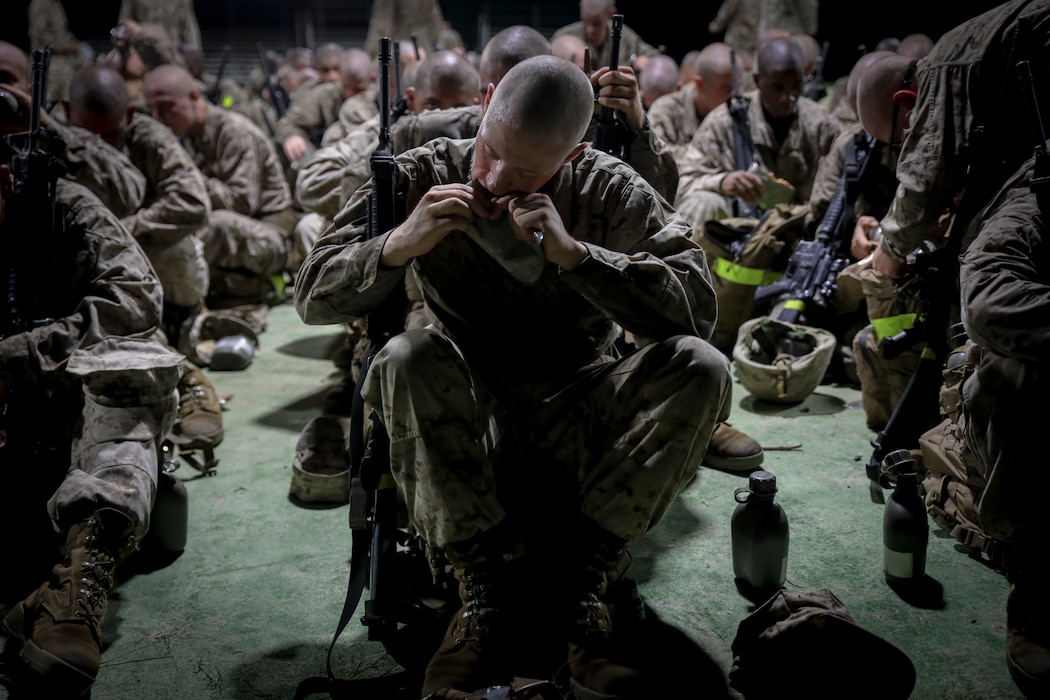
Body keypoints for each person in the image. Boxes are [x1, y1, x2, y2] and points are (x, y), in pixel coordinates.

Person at [295, 54, 732, 698]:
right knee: (405, 357)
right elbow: (311, 294)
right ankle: (482, 590)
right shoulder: (424, 173)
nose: (496, 179)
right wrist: (397, 245)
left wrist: (580, 258)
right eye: (491, 152)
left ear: (574, 153)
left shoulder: (607, 189)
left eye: (526, 170)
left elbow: (699, 308)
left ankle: (584, 581)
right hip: (464, 411)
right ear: (488, 97)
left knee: (703, 367)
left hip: (580, 404)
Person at [0, 102, 182, 696]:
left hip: (66, 405)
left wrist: (22, 357)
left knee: (134, 364)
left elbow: (135, 297)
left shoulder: (63, 207)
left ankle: (77, 586)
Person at [142, 63, 300, 308]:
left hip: (270, 237)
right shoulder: (185, 135)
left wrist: (189, 180)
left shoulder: (233, 131)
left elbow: (240, 202)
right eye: (151, 109)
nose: (157, 118)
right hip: (236, 236)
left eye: (165, 108)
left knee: (218, 225)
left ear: (194, 97)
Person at [274, 47, 374, 166]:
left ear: (371, 79)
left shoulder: (379, 97)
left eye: (358, 89)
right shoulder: (324, 95)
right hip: (330, 162)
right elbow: (287, 123)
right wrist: (292, 137)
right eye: (346, 86)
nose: (349, 94)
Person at [647, 41, 736, 166]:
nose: (732, 97)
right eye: (725, 89)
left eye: (736, 89)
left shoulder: (736, 113)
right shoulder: (665, 111)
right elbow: (656, 158)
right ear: (700, 84)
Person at [552, 0, 664, 72]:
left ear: (611, 14)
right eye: (585, 21)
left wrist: (646, 61)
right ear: (581, 7)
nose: (590, 30)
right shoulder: (565, 37)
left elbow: (656, 58)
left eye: (596, 24)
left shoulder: (625, 37)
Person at [27, 0, 92, 103]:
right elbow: (39, 36)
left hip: (61, 62)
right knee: (51, 106)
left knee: (64, 104)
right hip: (49, 64)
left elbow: (60, 32)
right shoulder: (41, 3)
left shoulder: (55, 3)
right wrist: (67, 45)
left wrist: (71, 41)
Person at [363, 0, 464, 58]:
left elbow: (381, 24)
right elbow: (435, 23)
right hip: (424, 47)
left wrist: (371, 54)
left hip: (401, 50)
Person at [118, 0, 202, 51]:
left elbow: (188, 26)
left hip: (174, 55)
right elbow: (124, 24)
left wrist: (194, 54)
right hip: (143, 55)